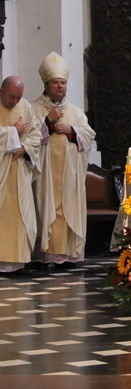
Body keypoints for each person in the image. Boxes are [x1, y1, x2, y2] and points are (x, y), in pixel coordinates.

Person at [31, 52, 96, 268]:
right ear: (46, 85)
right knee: (44, 208)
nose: (60, 87)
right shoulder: (33, 109)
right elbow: (28, 138)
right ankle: (44, 255)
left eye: (63, 83)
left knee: (68, 210)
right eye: (55, 83)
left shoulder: (75, 112)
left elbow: (89, 135)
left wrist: (72, 131)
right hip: (44, 174)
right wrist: (48, 123)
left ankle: (68, 254)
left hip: (70, 174)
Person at [0, 76, 43, 274]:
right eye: (11, 97)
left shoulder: (25, 107)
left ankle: (18, 263)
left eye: (19, 97)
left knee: (21, 216)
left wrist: (24, 148)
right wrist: (12, 132)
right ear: (1, 92)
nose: (16, 102)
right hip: (3, 173)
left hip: (20, 173)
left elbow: (36, 135)